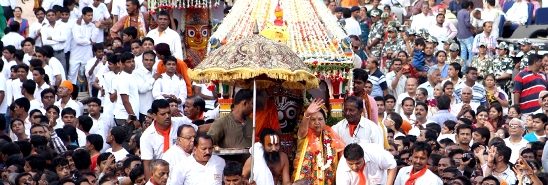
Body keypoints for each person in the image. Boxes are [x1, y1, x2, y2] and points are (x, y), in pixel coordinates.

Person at [140, 99, 198, 180]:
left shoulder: (181, 122)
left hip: (184, 171)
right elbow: (147, 164)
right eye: (163, 114)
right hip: (161, 176)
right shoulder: (147, 136)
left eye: (169, 113)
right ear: (154, 116)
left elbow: (198, 130)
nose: (167, 116)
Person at [293, 99, 345, 184]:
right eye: (313, 119)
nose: (317, 122)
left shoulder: (332, 137)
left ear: (325, 121)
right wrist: (307, 114)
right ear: (308, 122)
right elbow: (302, 129)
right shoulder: (304, 135)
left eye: (320, 119)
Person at [514, 54, 548, 119]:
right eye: (541, 61)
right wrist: (517, 109)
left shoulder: (543, 75)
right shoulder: (521, 75)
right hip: (526, 112)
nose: (543, 63)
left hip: (542, 111)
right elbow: (516, 93)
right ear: (535, 62)